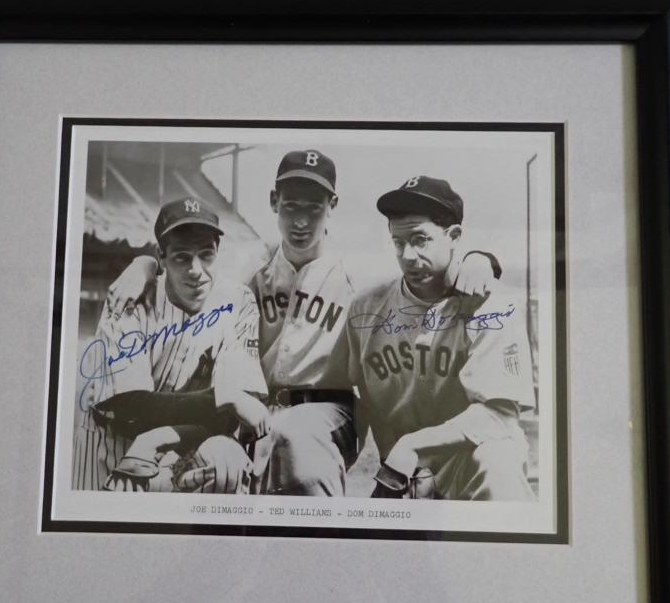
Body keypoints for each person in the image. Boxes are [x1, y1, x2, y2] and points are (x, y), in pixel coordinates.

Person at [104, 151, 500, 496]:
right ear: (274, 202)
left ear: (333, 204)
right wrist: (144, 265)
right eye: (292, 205)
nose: (301, 220)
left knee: (303, 464)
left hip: (328, 409)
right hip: (253, 409)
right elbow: (187, 261)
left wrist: (481, 259)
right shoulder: (248, 262)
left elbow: (429, 266)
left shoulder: (358, 270)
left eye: (315, 207)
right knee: (218, 483)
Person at [323, 175, 536, 501]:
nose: (407, 255)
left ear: (454, 236)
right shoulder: (366, 308)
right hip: (399, 477)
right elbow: (333, 394)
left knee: (499, 464)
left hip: (470, 466)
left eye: (420, 240)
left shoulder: (492, 305)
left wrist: (412, 444)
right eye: (398, 242)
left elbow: (499, 415)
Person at [72, 197, 269, 493]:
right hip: (107, 444)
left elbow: (233, 414)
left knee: (223, 457)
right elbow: (129, 408)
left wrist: (156, 439)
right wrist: (222, 396)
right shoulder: (129, 298)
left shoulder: (237, 301)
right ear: (161, 258)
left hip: (175, 442)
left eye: (206, 255)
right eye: (181, 257)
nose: (196, 270)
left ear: (218, 252)